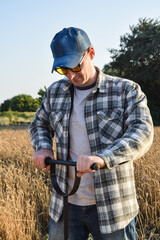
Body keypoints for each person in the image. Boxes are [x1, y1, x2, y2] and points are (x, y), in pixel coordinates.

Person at [29, 27, 154, 240]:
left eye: (75, 66)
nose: (71, 75)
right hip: (65, 203)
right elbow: (39, 123)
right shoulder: (55, 92)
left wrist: (103, 158)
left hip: (113, 205)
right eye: (63, 70)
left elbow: (142, 132)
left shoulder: (126, 90)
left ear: (92, 53)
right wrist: (42, 147)